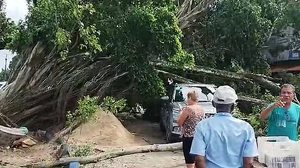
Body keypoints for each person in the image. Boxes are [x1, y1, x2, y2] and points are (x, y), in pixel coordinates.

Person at [190, 85, 258, 168]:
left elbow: (199, 159)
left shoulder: (202, 126)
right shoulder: (246, 128)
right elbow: (248, 162)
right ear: (233, 106)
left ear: (213, 104)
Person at [177, 91, 205, 168]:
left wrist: (181, 112)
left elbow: (179, 122)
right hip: (199, 137)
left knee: (189, 160)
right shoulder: (201, 109)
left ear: (190, 98)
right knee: (197, 159)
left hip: (188, 137)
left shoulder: (188, 109)